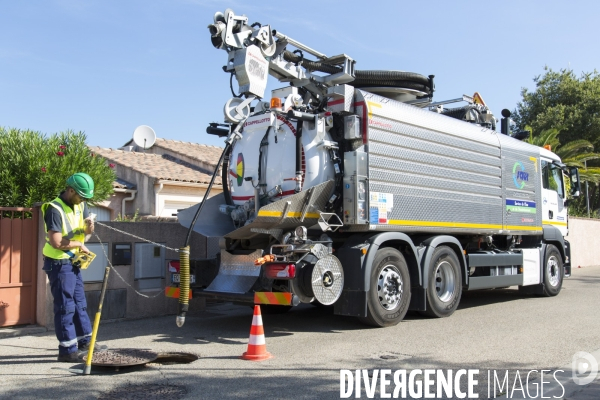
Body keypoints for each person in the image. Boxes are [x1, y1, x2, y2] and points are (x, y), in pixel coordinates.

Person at [42, 172, 105, 362]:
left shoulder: (81, 204)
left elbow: (85, 232)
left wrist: (90, 228)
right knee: (65, 306)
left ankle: (85, 341)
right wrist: (78, 245)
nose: (83, 200)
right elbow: (55, 242)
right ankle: (68, 351)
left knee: (79, 303)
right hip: (59, 263)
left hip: (73, 261)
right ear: (70, 190)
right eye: (81, 196)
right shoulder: (54, 209)